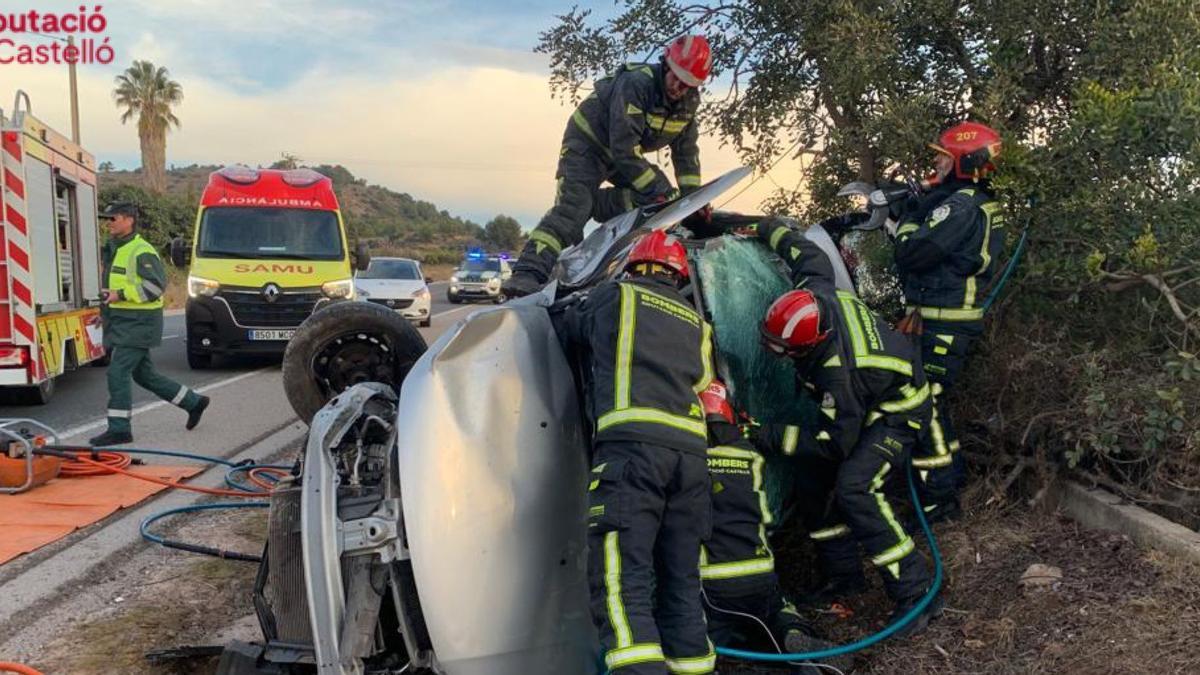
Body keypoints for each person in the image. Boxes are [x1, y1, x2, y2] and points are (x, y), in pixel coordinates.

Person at [753, 217, 940, 636]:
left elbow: (835, 444)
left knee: (856, 486)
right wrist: (763, 227)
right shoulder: (817, 294)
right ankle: (844, 575)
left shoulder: (841, 375)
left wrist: (764, 435)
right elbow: (809, 253)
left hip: (898, 411)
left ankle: (915, 587)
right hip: (869, 400)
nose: (777, 355)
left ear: (813, 343)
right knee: (810, 477)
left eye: (784, 350)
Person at [562, 229, 715, 674]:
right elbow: (703, 383)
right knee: (681, 583)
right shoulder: (697, 323)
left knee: (620, 582)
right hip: (689, 461)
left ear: (633, 265)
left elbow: (572, 329)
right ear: (678, 275)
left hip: (632, 453)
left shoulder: (616, 296)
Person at [505, 34, 712, 299]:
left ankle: (594, 205)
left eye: (688, 85)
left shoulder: (688, 103)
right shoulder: (636, 84)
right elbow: (625, 149)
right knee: (573, 209)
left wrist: (692, 199)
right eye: (676, 79)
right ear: (666, 64)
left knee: (657, 200)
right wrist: (661, 188)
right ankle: (527, 272)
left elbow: (686, 153)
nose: (679, 89)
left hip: (621, 154)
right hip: (588, 144)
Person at [891, 121, 1005, 522]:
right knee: (935, 403)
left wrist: (907, 216)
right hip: (939, 318)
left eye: (942, 156)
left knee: (927, 404)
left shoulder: (961, 206)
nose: (936, 162)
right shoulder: (960, 200)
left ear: (963, 161)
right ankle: (951, 478)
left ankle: (940, 501)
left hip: (944, 322)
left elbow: (912, 253)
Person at [697, 381, 847, 671]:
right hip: (761, 572)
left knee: (699, 637)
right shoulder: (749, 456)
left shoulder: (688, 459)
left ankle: (712, 663)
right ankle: (795, 639)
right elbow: (763, 513)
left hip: (713, 583)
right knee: (778, 611)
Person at [88, 203, 209, 447]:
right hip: (123, 322)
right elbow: (112, 290)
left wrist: (120, 294)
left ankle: (120, 429)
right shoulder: (115, 249)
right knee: (144, 375)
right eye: (106, 218)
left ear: (129, 220)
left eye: (114, 218)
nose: (108, 222)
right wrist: (105, 313)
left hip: (139, 324)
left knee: (117, 372)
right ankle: (193, 402)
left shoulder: (141, 250)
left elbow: (155, 288)